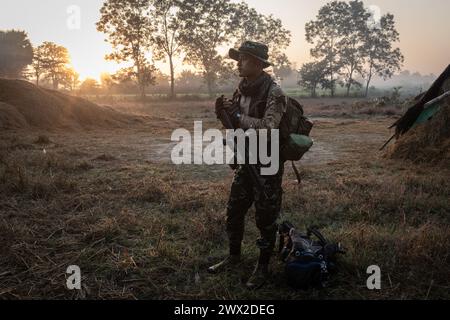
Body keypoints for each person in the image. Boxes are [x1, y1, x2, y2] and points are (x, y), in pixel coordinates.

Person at [208, 41, 287, 289]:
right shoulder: (240, 90)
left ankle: (262, 268)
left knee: (266, 219)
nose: (238, 63)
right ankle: (233, 258)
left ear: (258, 63)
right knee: (234, 212)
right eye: (239, 58)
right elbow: (233, 125)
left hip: (267, 164)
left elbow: (267, 129)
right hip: (245, 160)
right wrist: (223, 113)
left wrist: (239, 117)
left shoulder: (275, 92)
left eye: (243, 58)